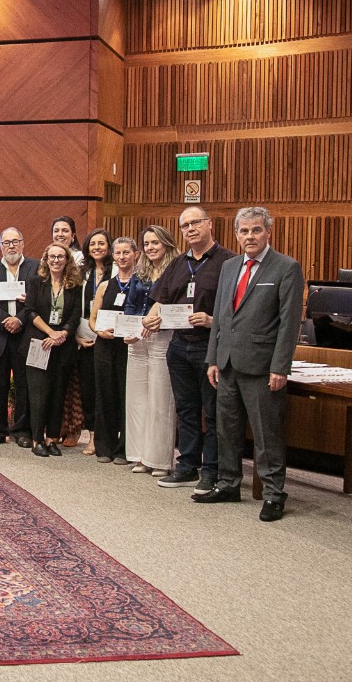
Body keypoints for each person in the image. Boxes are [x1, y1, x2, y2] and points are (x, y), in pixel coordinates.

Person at [196, 208, 304, 522]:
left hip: (261, 366)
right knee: (227, 430)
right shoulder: (230, 266)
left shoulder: (286, 267)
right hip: (227, 364)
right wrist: (213, 358)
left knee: (266, 435)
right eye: (244, 231)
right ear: (237, 235)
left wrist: (280, 366)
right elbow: (220, 316)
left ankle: (273, 495)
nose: (250, 237)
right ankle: (229, 484)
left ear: (268, 232)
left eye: (256, 230)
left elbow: (289, 323)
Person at [144, 206, 236, 492]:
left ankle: (211, 470)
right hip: (179, 346)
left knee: (211, 413)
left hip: (210, 347)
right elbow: (162, 297)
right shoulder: (178, 263)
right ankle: (187, 465)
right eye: (185, 226)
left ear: (209, 224)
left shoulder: (229, 262)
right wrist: (151, 317)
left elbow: (238, 308)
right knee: (185, 410)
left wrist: (212, 321)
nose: (190, 229)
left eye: (196, 223)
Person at [123, 225, 180, 478]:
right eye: (146, 244)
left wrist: (154, 322)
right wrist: (128, 328)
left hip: (162, 336)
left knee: (160, 400)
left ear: (166, 243)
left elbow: (178, 305)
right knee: (137, 399)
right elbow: (131, 305)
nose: (150, 248)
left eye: (155, 242)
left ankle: (158, 459)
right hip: (137, 338)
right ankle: (139, 455)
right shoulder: (140, 271)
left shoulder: (177, 269)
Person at [0, 227, 38, 447]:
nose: (11, 246)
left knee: (24, 385)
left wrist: (19, 319)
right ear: (0, 245)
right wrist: (5, 320)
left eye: (15, 241)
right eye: (6, 242)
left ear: (22, 243)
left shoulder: (36, 267)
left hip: (24, 334)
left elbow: (39, 298)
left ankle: (22, 430)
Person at [23, 243, 83, 457]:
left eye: (60, 257)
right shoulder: (36, 282)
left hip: (63, 346)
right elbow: (29, 311)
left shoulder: (74, 285)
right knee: (39, 394)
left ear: (67, 260)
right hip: (39, 343)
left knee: (58, 393)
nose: (56, 260)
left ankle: (52, 438)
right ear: (45, 260)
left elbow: (76, 314)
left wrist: (63, 334)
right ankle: (37, 439)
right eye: (52, 256)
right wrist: (50, 333)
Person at [89, 236, 137, 464]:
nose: (122, 257)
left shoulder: (141, 283)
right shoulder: (106, 285)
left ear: (135, 254)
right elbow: (92, 319)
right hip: (105, 346)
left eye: (126, 252)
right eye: (118, 253)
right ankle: (104, 446)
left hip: (129, 348)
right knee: (104, 395)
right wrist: (99, 331)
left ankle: (124, 449)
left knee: (126, 397)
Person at [69, 228, 111, 452]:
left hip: (109, 336)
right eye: (93, 244)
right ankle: (93, 436)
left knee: (107, 388)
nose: (97, 247)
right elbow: (74, 305)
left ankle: (110, 437)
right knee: (88, 388)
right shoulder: (81, 272)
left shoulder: (115, 271)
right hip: (84, 335)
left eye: (101, 243)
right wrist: (75, 334)